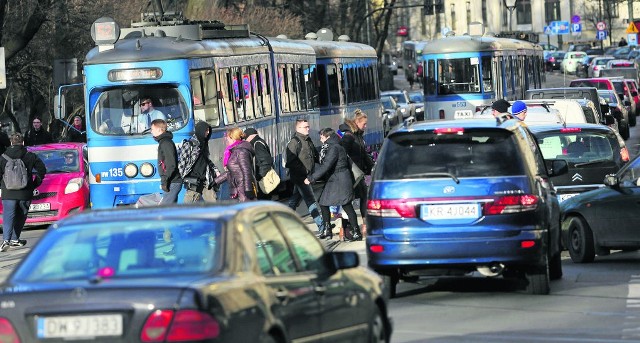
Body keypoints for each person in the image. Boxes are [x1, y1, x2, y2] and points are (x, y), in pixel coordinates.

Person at [305, 128, 360, 240]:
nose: (320, 140)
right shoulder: (333, 146)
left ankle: (356, 231)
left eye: (321, 137)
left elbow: (326, 165)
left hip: (340, 179)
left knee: (346, 205)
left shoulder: (334, 147)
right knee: (324, 202)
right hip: (336, 179)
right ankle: (327, 229)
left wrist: (312, 178)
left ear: (327, 137)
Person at [0, 132, 46, 251]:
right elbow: (42, 169)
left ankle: (6, 240)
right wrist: (35, 183)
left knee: (8, 215)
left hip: (8, 192)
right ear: (23, 142)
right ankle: (15, 239)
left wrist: (2, 187)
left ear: (11, 142)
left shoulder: (3, 156)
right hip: (25, 192)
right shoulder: (30, 155)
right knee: (21, 215)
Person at [286, 118, 327, 234]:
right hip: (301, 177)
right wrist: (304, 172)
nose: (308, 128)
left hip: (307, 176)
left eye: (308, 126)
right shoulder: (294, 142)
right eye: (305, 127)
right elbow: (291, 161)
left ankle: (285, 222)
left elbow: (315, 156)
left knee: (294, 201)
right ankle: (321, 226)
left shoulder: (307, 140)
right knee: (311, 201)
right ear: (298, 128)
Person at [340, 109, 374, 239]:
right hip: (350, 172)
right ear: (357, 122)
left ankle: (363, 224)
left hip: (357, 172)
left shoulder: (358, 135)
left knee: (363, 196)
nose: (366, 126)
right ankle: (345, 228)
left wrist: (371, 168)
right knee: (348, 200)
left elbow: (364, 154)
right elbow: (342, 153)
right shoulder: (349, 136)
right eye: (364, 124)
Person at [179, 121, 220, 203]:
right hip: (194, 180)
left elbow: (206, 160)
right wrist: (181, 177)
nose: (208, 133)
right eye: (206, 130)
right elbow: (182, 163)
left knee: (213, 203)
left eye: (208, 130)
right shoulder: (189, 144)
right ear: (201, 130)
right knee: (188, 206)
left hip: (205, 179)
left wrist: (216, 170)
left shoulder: (204, 144)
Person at [214, 128, 257, 202]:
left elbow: (246, 171)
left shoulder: (241, 151)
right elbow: (231, 171)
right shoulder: (234, 151)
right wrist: (216, 181)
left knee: (246, 211)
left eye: (227, 138)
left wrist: (248, 189)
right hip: (238, 188)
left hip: (243, 189)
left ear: (233, 138)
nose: (226, 141)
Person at [151, 119, 182, 204]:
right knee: (170, 210)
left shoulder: (165, 143)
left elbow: (171, 164)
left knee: (164, 209)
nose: (151, 132)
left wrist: (165, 181)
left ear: (159, 129)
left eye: (152, 129)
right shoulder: (163, 142)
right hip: (171, 181)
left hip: (172, 181)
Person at [244, 127, 274, 199]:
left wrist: (259, 177)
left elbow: (266, 161)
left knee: (263, 201)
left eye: (246, 138)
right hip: (264, 179)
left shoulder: (257, 144)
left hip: (263, 180)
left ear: (250, 136)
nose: (246, 141)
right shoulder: (259, 142)